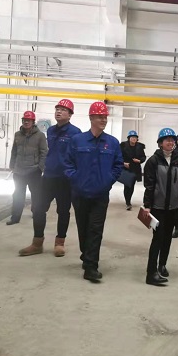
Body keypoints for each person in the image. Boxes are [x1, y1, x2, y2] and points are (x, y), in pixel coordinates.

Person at [64, 101, 123, 283]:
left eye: (105, 117)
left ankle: (91, 266)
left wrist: (107, 181)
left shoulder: (112, 143)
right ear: (91, 118)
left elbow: (118, 165)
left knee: (96, 229)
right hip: (80, 194)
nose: (103, 120)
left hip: (100, 195)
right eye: (99, 117)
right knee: (83, 228)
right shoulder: (77, 140)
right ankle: (86, 255)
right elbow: (68, 164)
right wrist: (76, 180)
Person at [18, 99, 81, 257]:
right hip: (48, 177)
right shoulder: (51, 130)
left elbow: (77, 157)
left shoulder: (76, 133)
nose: (59, 111)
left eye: (63, 110)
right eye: (57, 109)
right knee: (38, 208)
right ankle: (37, 243)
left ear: (70, 115)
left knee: (63, 211)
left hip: (65, 179)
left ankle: (60, 243)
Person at [142, 128, 178, 286]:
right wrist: (147, 205)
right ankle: (151, 273)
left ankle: (162, 265)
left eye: (172, 140)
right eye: (167, 139)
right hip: (158, 207)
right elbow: (149, 185)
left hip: (174, 207)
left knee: (167, 237)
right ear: (160, 143)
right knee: (158, 238)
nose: (170, 142)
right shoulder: (153, 161)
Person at [6, 111, 48, 226]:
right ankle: (15, 217)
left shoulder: (40, 136)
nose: (26, 122)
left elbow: (44, 152)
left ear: (33, 122)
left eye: (28, 120)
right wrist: (12, 165)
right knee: (18, 194)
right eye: (24, 120)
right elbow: (14, 151)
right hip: (19, 171)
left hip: (33, 171)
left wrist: (40, 168)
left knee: (36, 195)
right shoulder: (17, 135)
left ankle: (36, 214)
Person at [120, 130, 146, 210]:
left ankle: (129, 201)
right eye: (132, 137)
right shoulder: (123, 146)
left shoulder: (140, 147)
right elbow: (118, 156)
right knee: (127, 185)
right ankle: (127, 202)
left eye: (135, 137)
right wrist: (123, 163)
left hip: (135, 169)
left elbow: (143, 157)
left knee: (131, 186)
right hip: (126, 168)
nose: (134, 139)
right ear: (129, 138)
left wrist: (139, 161)